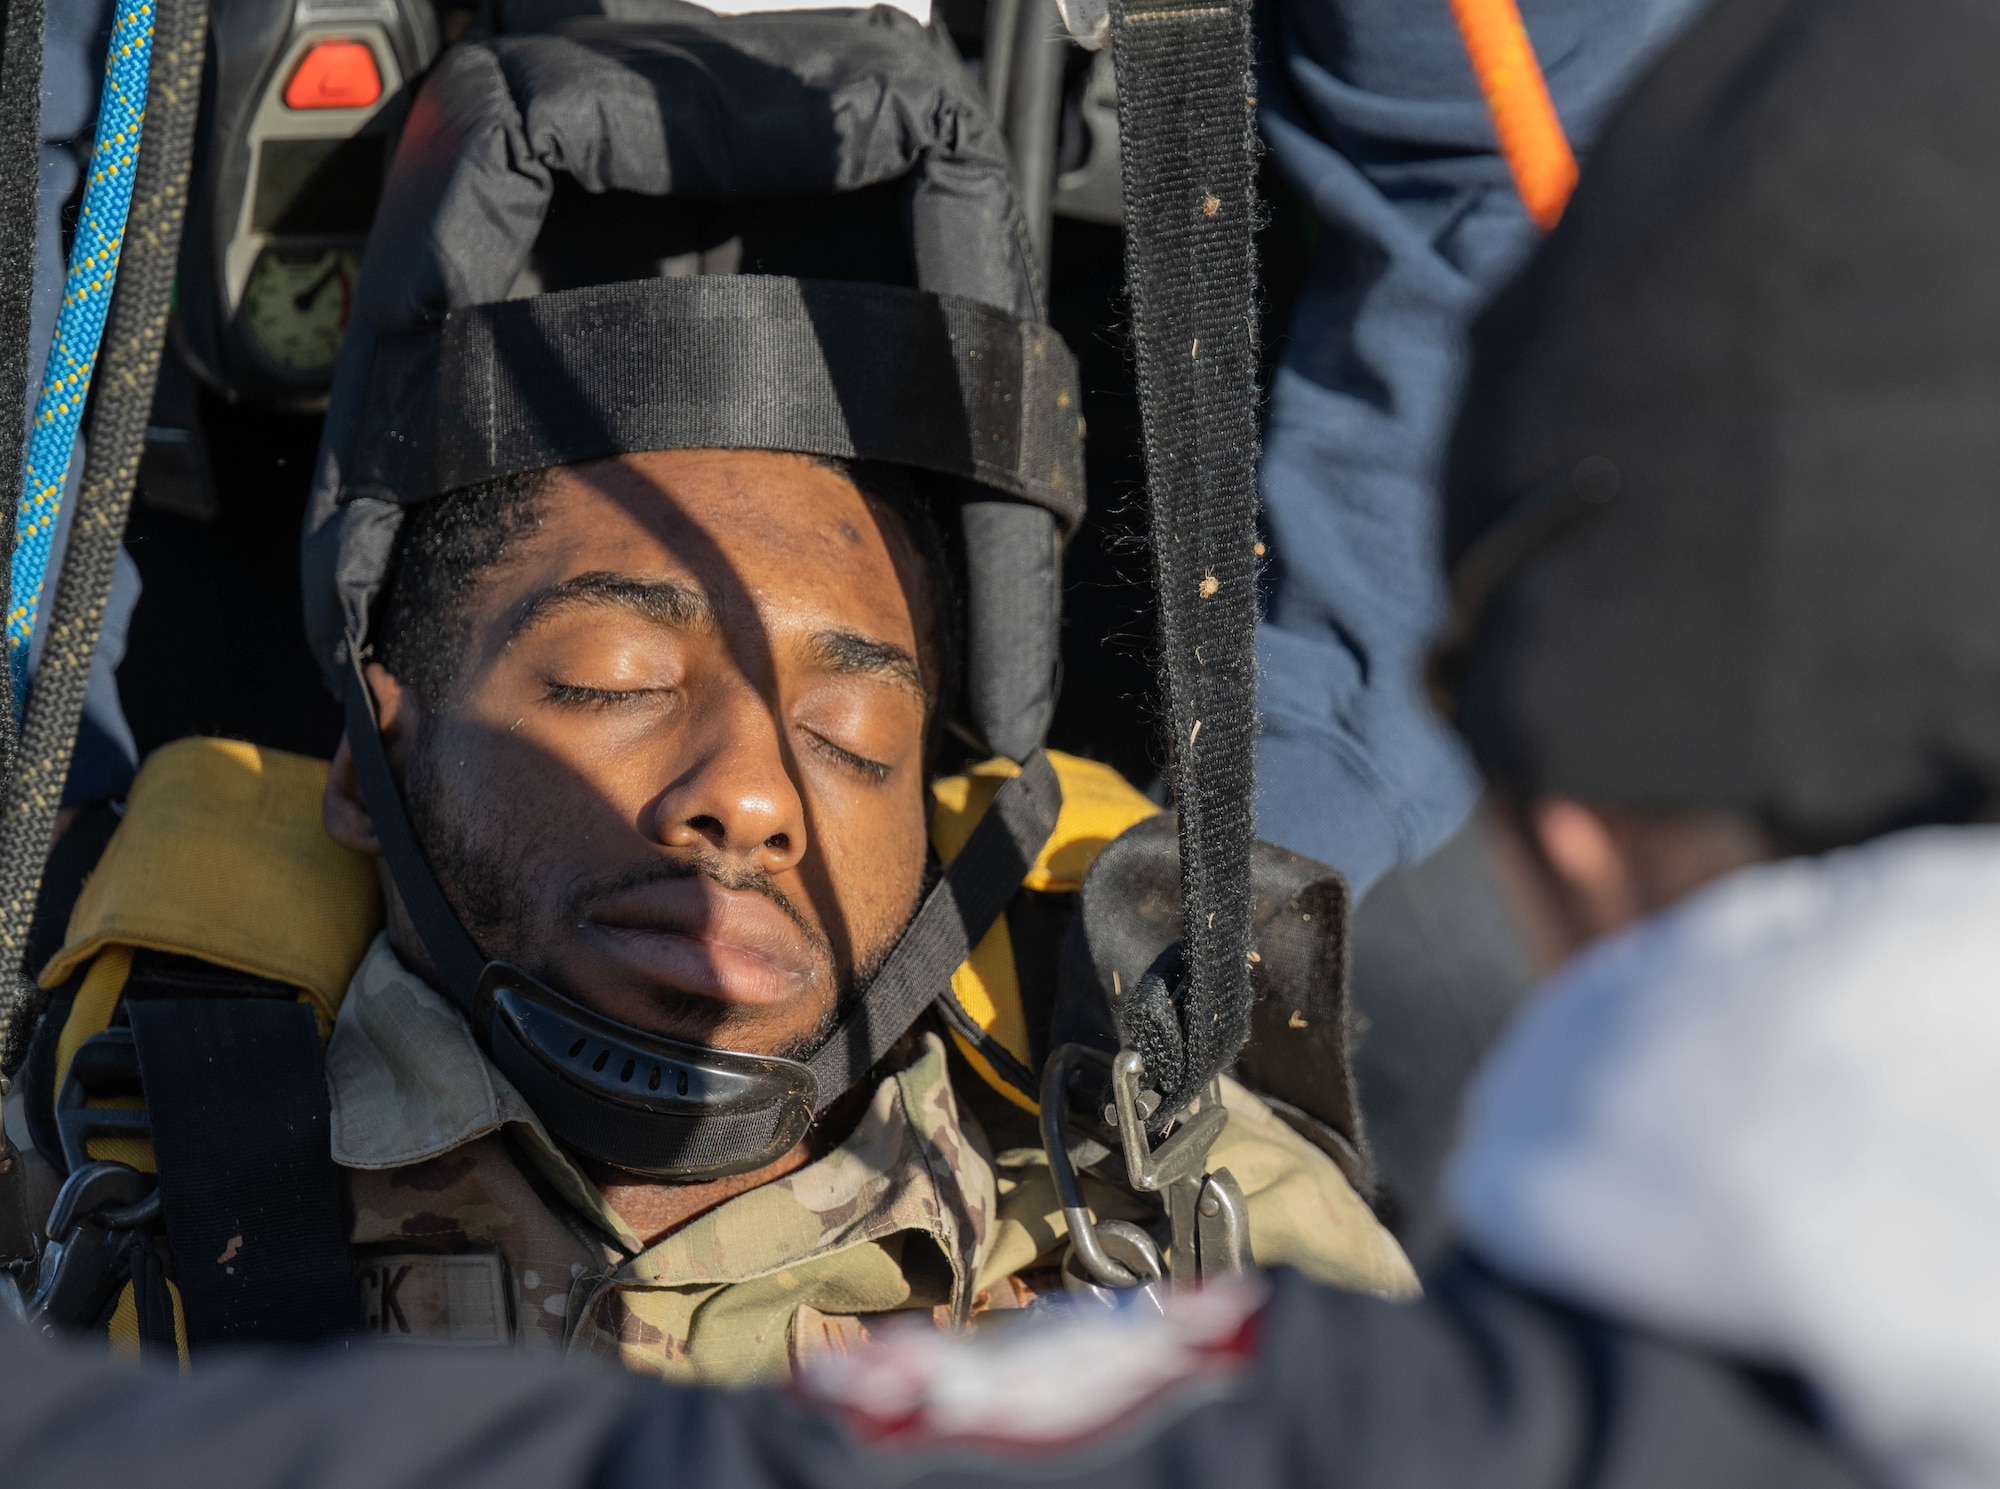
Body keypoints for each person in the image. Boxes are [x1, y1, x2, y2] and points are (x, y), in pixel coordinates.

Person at [8, 8, 1410, 1377]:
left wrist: (1315, 777)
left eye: (850, 734)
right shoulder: (81, 1174)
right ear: (361, 772)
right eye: (612, 681)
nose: (749, 795)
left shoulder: (1222, 1237)